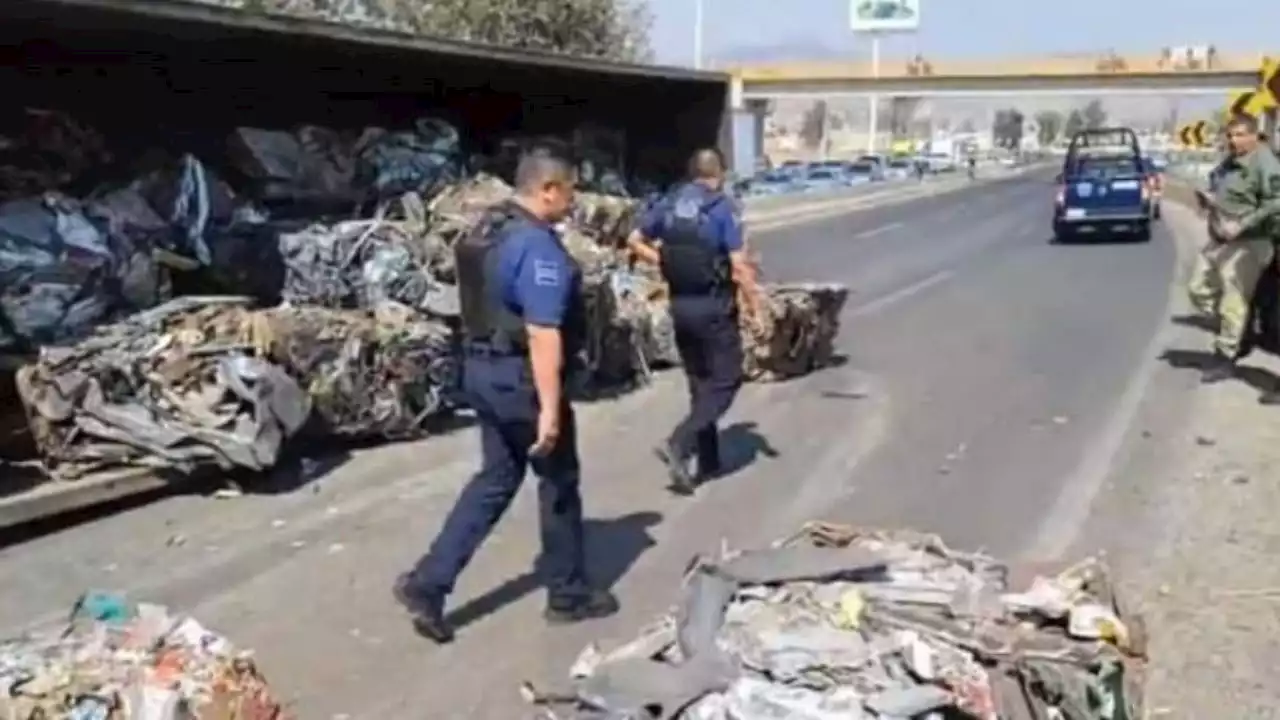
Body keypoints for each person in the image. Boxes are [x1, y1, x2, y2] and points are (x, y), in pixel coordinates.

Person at [393, 143, 617, 644]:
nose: (574, 201)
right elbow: (542, 331)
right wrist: (551, 410)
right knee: (559, 483)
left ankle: (428, 583)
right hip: (520, 379)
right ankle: (568, 595)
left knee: (496, 477)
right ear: (548, 189)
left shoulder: (489, 228)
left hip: (481, 371)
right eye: (570, 190)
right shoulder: (537, 247)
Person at [626, 148, 763, 495]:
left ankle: (708, 459)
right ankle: (680, 441)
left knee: (700, 382)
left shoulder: (668, 204)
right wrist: (754, 307)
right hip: (714, 307)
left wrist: (666, 261)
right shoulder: (720, 209)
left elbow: (633, 240)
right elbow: (739, 266)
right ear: (719, 174)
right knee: (727, 379)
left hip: (680, 306)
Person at [1188, 113, 1280, 384]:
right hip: (1220, 239)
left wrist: (1243, 224)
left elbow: (1275, 201)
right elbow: (1223, 190)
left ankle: (1226, 354)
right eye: (1230, 135)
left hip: (1250, 242)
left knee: (1233, 300)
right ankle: (1241, 331)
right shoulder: (1230, 162)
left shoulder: (1264, 163)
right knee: (1198, 289)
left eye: (1240, 135)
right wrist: (1208, 201)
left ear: (1253, 136)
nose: (1233, 140)